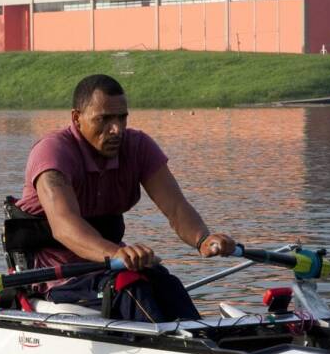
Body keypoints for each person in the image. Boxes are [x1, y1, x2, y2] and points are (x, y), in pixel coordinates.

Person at [13, 74, 235, 323]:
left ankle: (205, 337)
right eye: (104, 119)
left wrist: (202, 239)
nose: (116, 129)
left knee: (165, 282)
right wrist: (117, 253)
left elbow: (176, 207)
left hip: (107, 267)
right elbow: (65, 226)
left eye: (122, 118)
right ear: (76, 118)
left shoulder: (138, 147)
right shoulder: (53, 152)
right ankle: (172, 342)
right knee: (130, 285)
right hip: (57, 276)